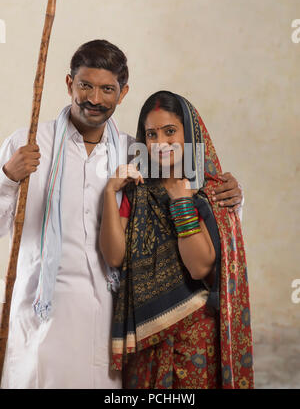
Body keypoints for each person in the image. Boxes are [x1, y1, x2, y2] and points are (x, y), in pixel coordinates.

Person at [0, 40, 244, 389]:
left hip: (111, 325)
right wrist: (7, 177)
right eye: (85, 85)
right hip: (42, 320)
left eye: (107, 89)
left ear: (123, 92)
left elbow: (191, 191)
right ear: (69, 84)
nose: (94, 99)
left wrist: (234, 194)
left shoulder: (137, 152)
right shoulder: (29, 145)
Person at [100, 91, 254, 389]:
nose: (160, 143)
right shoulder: (138, 190)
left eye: (170, 131)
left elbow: (199, 267)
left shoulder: (210, 191)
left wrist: (182, 202)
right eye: (151, 134)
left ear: (189, 134)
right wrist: (109, 193)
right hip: (145, 340)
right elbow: (115, 257)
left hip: (196, 340)